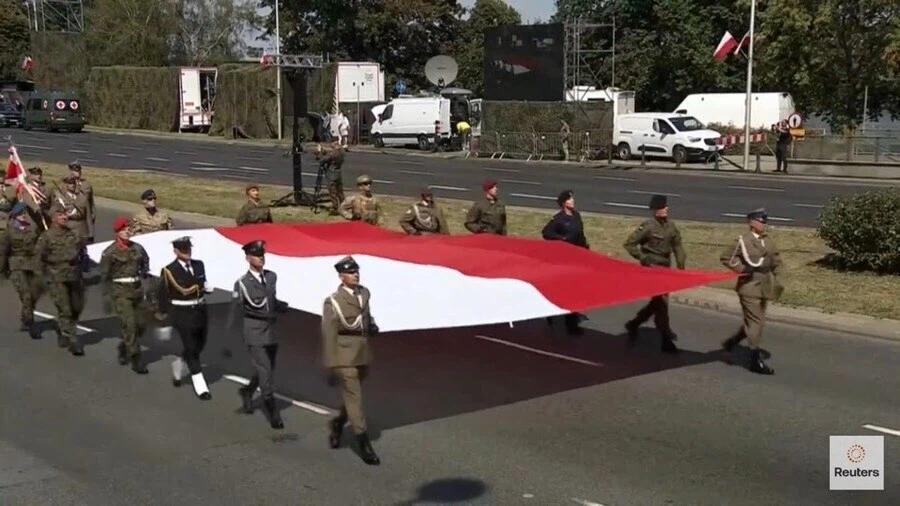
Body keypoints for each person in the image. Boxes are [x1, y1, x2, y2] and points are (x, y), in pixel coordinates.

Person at [322, 255, 380, 466]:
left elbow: (366, 316)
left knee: (352, 396)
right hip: (344, 356)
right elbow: (329, 335)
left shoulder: (364, 293)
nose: (355, 274)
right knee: (355, 399)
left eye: (356, 271)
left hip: (362, 353)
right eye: (350, 272)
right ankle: (363, 442)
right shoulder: (333, 302)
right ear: (341, 276)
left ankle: (338, 424)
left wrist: (371, 325)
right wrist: (330, 365)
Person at [227, 240, 287, 429]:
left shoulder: (271, 277)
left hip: (270, 329)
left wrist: (280, 306)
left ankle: (247, 391)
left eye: (262, 255)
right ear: (247, 258)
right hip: (254, 330)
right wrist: (230, 334)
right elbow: (236, 309)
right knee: (265, 369)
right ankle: (272, 410)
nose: (261, 258)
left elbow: (270, 299)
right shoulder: (242, 284)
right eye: (256, 255)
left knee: (267, 367)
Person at [719, 208, 783, 375]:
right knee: (757, 322)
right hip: (748, 286)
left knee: (755, 319)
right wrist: (742, 268)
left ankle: (733, 341)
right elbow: (726, 257)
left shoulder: (768, 241)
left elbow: (776, 260)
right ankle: (754, 360)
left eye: (765, 221)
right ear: (752, 223)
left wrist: (779, 278)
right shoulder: (742, 241)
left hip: (764, 286)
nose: (764, 224)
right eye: (761, 221)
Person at [623, 194, 686, 354]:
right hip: (652, 269)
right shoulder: (648, 226)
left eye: (665, 206)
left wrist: (681, 266)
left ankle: (634, 323)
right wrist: (643, 258)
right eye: (662, 207)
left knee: (657, 303)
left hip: (665, 268)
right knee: (662, 304)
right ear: (655, 210)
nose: (666, 209)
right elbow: (629, 244)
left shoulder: (671, 226)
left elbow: (677, 245)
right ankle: (666, 340)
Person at [157, 236, 214, 399]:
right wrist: (165, 321)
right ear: (175, 251)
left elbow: (200, 284)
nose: (187, 252)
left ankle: (180, 362)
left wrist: (207, 288)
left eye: (189, 249)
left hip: (200, 310)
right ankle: (200, 385)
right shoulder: (169, 270)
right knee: (191, 347)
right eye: (183, 250)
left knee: (199, 344)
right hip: (182, 313)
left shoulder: (198, 265)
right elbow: (162, 295)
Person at [99, 217, 151, 374]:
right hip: (120, 292)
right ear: (117, 232)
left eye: (129, 228)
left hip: (136, 289)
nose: (127, 231)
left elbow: (145, 262)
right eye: (124, 229)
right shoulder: (110, 252)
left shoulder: (138, 248)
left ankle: (124, 345)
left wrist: (145, 275)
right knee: (130, 325)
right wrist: (107, 297)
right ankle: (136, 358)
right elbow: (104, 276)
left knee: (141, 325)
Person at [34, 208, 86, 355]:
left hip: (74, 277)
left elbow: (82, 252)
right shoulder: (47, 236)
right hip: (56, 278)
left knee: (76, 307)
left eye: (65, 214)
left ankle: (63, 331)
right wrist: (40, 278)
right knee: (65, 309)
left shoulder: (74, 235)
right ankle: (73, 339)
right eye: (60, 215)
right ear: (53, 218)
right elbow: (38, 257)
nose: (64, 217)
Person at [541, 190, 589, 334]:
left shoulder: (577, 216)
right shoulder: (558, 219)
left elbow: (581, 236)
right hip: (563, 260)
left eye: (572, 198)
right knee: (560, 289)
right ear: (563, 203)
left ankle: (571, 324)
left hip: (576, 258)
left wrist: (586, 251)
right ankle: (550, 312)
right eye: (569, 199)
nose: (572, 201)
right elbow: (546, 233)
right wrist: (561, 239)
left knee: (574, 291)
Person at [0, 202, 42, 339]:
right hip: (16, 265)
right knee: (26, 294)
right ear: (16, 216)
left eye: (25, 213)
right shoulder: (10, 231)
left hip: (31, 265)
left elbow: (38, 246)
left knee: (33, 295)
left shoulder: (32, 228)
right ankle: (30, 322)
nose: (24, 216)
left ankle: (25, 318)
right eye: (21, 214)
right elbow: (3, 252)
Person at [50, 175, 91, 272]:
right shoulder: (60, 199)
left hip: (81, 229)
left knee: (82, 253)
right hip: (68, 228)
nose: (71, 185)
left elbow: (88, 216)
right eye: (69, 183)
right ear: (66, 185)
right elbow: (52, 213)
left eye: (73, 183)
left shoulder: (82, 198)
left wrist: (90, 233)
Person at [67, 161, 95, 243]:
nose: (77, 173)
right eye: (75, 171)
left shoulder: (86, 185)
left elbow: (91, 204)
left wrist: (93, 217)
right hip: (71, 222)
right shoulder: (66, 185)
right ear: (71, 171)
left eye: (78, 171)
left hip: (84, 222)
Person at [316, 142, 345, 215]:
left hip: (331, 173)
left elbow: (322, 160)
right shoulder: (341, 152)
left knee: (333, 191)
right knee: (340, 191)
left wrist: (319, 152)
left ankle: (335, 207)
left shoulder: (333, 154)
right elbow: (330, 154)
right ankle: (344, 205)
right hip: (338, 172)